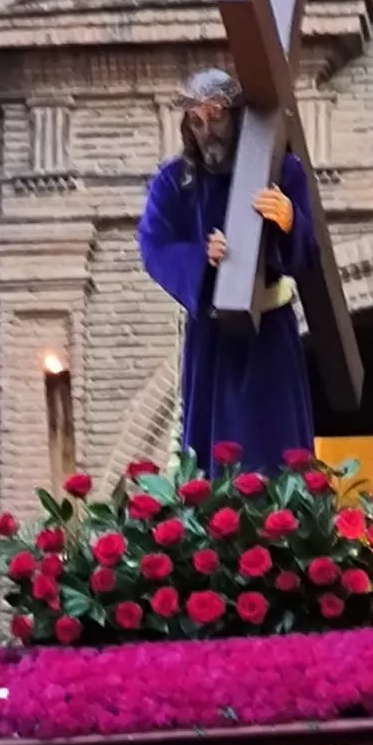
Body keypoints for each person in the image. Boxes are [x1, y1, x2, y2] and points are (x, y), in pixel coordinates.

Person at [137, 68, 317, 473]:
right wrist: (199, 255)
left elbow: (310, 253)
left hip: (270, 332)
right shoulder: (175, 182)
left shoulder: (281, 171)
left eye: (216, 117)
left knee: (276, 451)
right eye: (197, 121)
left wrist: (290, 220)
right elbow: (154, 246)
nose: (208, 132)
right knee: (213, 459)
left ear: (236, 115)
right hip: (211, 340)